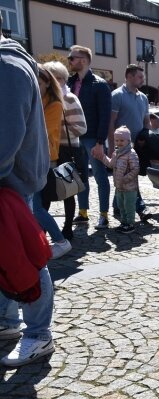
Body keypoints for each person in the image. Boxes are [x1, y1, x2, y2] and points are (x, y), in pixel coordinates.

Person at [0, 18, 56, 367]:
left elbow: (5, 142)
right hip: (10, 181)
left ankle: (38, 333)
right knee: (9, 254)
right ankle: (8, 323)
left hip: (11, 183)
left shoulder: (7, 68)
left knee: (25, 256)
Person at [40, 61, 87, 242]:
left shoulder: (70, 98)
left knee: (68, 190)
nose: (56, 81)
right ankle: (42, 230)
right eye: (53, 77)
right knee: (46, 192)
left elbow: (82, 128)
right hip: (51, 150)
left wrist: (58, 128)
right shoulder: (46, 98)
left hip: (67, 149)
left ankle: (68, 227)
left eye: (59, 77)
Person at [66, 45, 112, 229]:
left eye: (72, 58)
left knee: (100, 176)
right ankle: (83, 213)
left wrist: (100, 142)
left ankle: (104, 215)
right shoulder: (70, 83)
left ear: (83, 60)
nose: (69, 61)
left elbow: (105, 115)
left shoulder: (99, 85)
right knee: (80, 177)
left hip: (93, 138)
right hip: (74, 139)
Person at [33, 65, 72, 259]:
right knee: (36, 206)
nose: (35, 85)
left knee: (36, 207)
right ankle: (39, 243)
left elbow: (41, 131)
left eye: (39, 82)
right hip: (34, 158)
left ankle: (60, 240)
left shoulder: (54, 103)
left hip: (44, 158)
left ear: (48, 83)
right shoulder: (37, 99)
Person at [108, 64, 151, 222]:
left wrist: (146, 138)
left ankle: (117, 206)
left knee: (126, 179)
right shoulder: (117, 95)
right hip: (121, 147)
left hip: (138, 147)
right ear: (129, 76)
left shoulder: (143, 97)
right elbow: (111, 123)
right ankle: (141, 208)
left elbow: (146, 122)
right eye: (140, 76)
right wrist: (112, 147)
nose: (143, 79)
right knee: (131, 179)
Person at [95, 126, 140, 233]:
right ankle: (124, 222)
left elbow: (135, 169)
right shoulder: (116, 153)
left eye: (122, 140)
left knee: (129, 206)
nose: (119, 143)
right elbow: (111, 164)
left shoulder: (131, 153)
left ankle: (130, 224)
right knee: (121, 206)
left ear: (128, 141)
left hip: (129, 187)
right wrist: (102, 157)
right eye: (117, 140)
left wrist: (125, 179)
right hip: (119, 187)